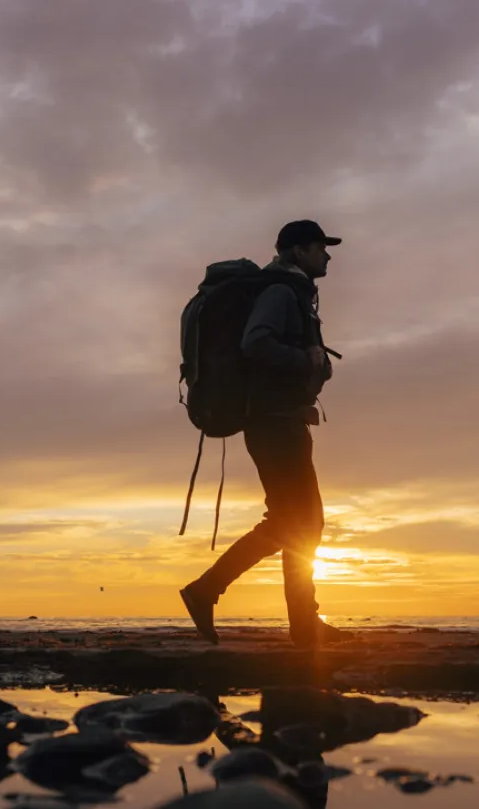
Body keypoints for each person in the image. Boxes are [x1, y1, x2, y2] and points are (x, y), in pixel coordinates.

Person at [179, 220, 351, 649]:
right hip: (273, 424)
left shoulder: (295, 293)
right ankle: (208, 591)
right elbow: (255, 343)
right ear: (297, 251)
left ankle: (300, 623)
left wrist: (317, 364)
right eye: (319, 247)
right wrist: (304, 361)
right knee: (296, 522)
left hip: (283, 420)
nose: (327, 255)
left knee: (301, 523)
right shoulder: (280, 292)